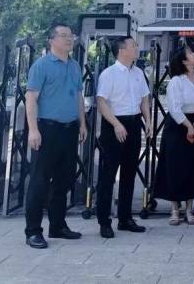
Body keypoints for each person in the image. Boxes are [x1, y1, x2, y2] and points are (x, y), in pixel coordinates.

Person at [24, 22, 87, 249]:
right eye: (64, 36)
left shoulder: (75, 66)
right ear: (52, 40)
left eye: (71, 36)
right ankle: (33, 231)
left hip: (70, 130)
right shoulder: (41, 66)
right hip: (47, 129)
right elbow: (31, 98)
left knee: (64, 179)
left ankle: (58, 225)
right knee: (40, 181)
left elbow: (78, 96)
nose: (69, 39)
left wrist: (82, 123)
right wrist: (33, 129)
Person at [95, 36, 152, 238]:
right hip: (114, 125)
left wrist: (148, 120)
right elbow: (101, 102)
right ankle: (104, 221)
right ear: (121, 50)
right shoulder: (109, 74)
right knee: (108, 174)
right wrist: (116, 124)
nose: (137, 48)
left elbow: (144, 98)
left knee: (129, 173)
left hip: (134, 123)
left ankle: (125, 218)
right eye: (133, 45)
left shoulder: (138, 73)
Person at [153, 46, 194, 225]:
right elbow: (174, 108)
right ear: (185, 61)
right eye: (191, 54)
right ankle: (174, 209)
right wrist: (188, 125)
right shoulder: (176, 82)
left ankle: (189, 209)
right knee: (176, 167)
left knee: (193, 166)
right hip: (178, 126)